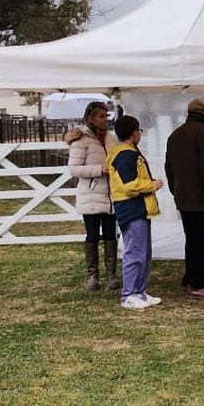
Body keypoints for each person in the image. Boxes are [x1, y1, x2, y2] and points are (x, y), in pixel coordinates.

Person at [165, 98, 204, 298]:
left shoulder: (175, 134)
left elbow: (169, 168)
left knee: (192, 240)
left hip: (183, 197)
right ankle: (197, 284)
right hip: (202, 198)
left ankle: (189, 278)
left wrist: (175, 191)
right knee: (203, 242)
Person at [107, 115, 164, 311]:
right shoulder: (125, 155)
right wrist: (152, 185)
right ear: (133, 133)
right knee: (134, 253)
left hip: (140, 209)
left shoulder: (130, 152)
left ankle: (139, 291)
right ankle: (128, 294)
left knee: (144, 252)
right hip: (131, 209)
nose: (140, 134)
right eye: (139, 130)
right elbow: (130, 185)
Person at [64, 101, 118, 291]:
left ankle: (111, 274)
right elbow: (74, 168)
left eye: (106, 116)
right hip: (91, 193)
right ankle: (93, 275)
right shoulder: (82, 141)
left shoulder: (111, 138)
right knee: (93, 235)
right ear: (91, 118)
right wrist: (99, 170)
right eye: (101, 116)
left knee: (111, 235)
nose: (105, 120)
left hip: (111, 194)